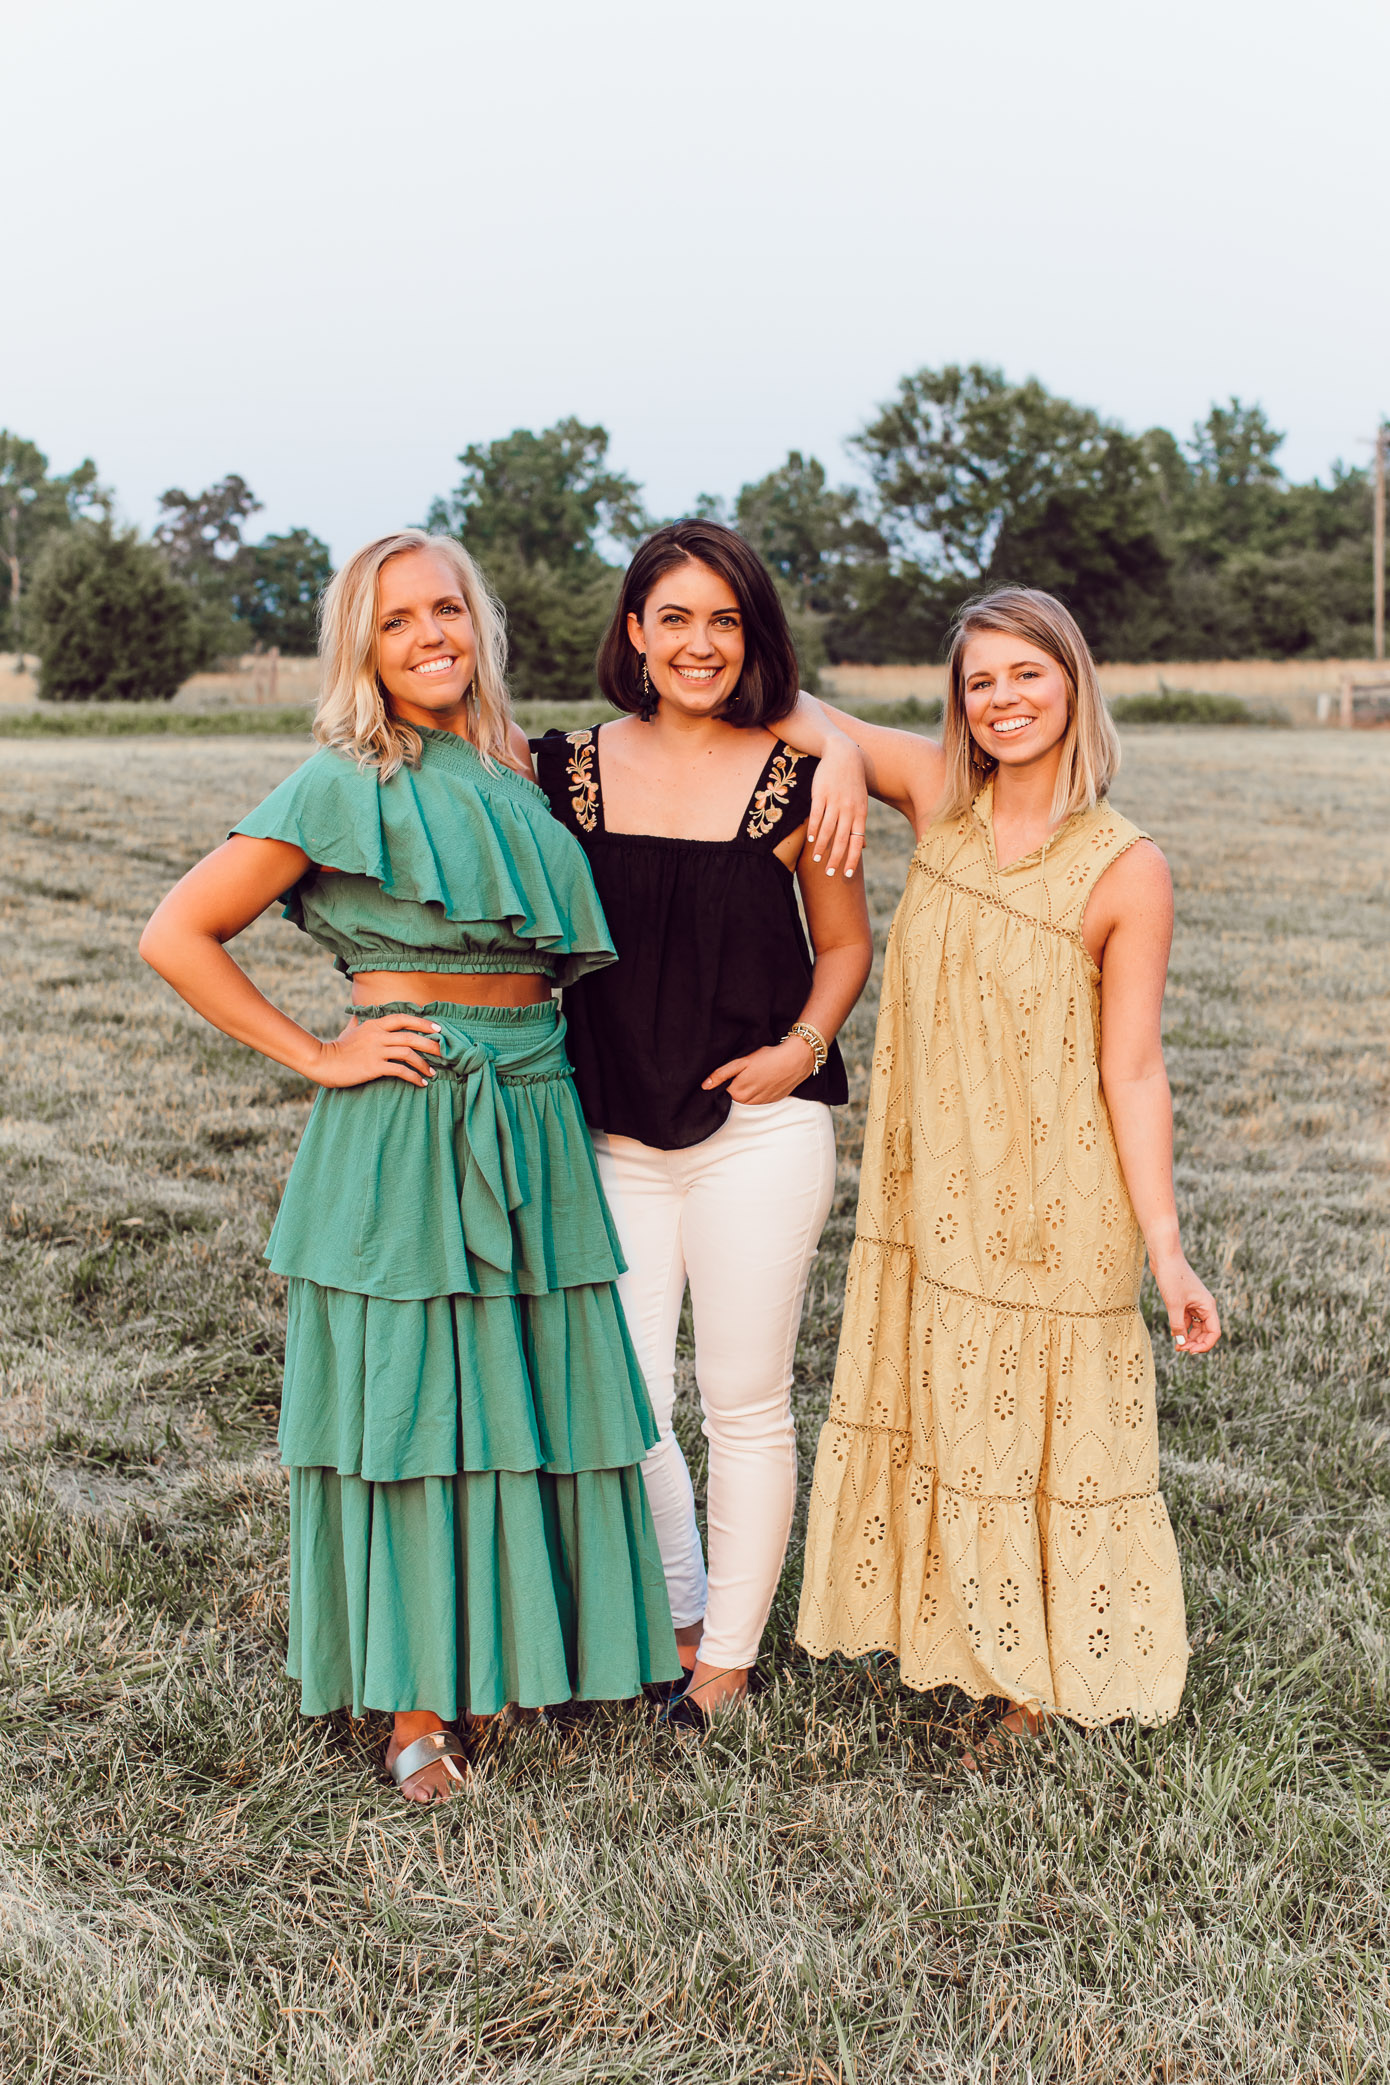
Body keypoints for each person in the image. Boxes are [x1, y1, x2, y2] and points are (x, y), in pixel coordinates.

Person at [139, 529, 681, 1803]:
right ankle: (415, 1706)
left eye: (447, 609)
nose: (431, 635)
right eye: (397, 622)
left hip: (535, 1108)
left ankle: (506, 1658)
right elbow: (178, 933)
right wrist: (317, 1054)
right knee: (420, 1409)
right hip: (412, 1113)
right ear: (361, 648)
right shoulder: (344, 778)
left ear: (479, 623)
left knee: (519, 1399)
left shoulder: (515, 769)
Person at [787, 586, 1220, 1753]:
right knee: (947, 1410)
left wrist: (1168, 1253)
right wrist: (835, 758)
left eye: (1026, 674)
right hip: (937, 1186)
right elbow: (779, 700)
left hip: (1059, 1200)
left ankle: (1035, 1675)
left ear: (1071, 682)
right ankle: (960, 1638)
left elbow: (1133, 1073)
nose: (1003, 700)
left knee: (1036, 1432)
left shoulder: (1125, 869)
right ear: (959, 706)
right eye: (980, 682)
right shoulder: (936, 801)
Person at [532, 520, 873, 1722]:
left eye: (724, 620)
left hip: (758, 1134)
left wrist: (802, 1047)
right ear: (633, 631)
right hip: (608, 1125)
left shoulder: (793, 776)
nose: (698, 642)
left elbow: (843, 944)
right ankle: (677, 1609)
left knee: (743, 1399)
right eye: (672, 616)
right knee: (625, 1398)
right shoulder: (556, 767)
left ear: (752, 638)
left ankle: (724, 1658)